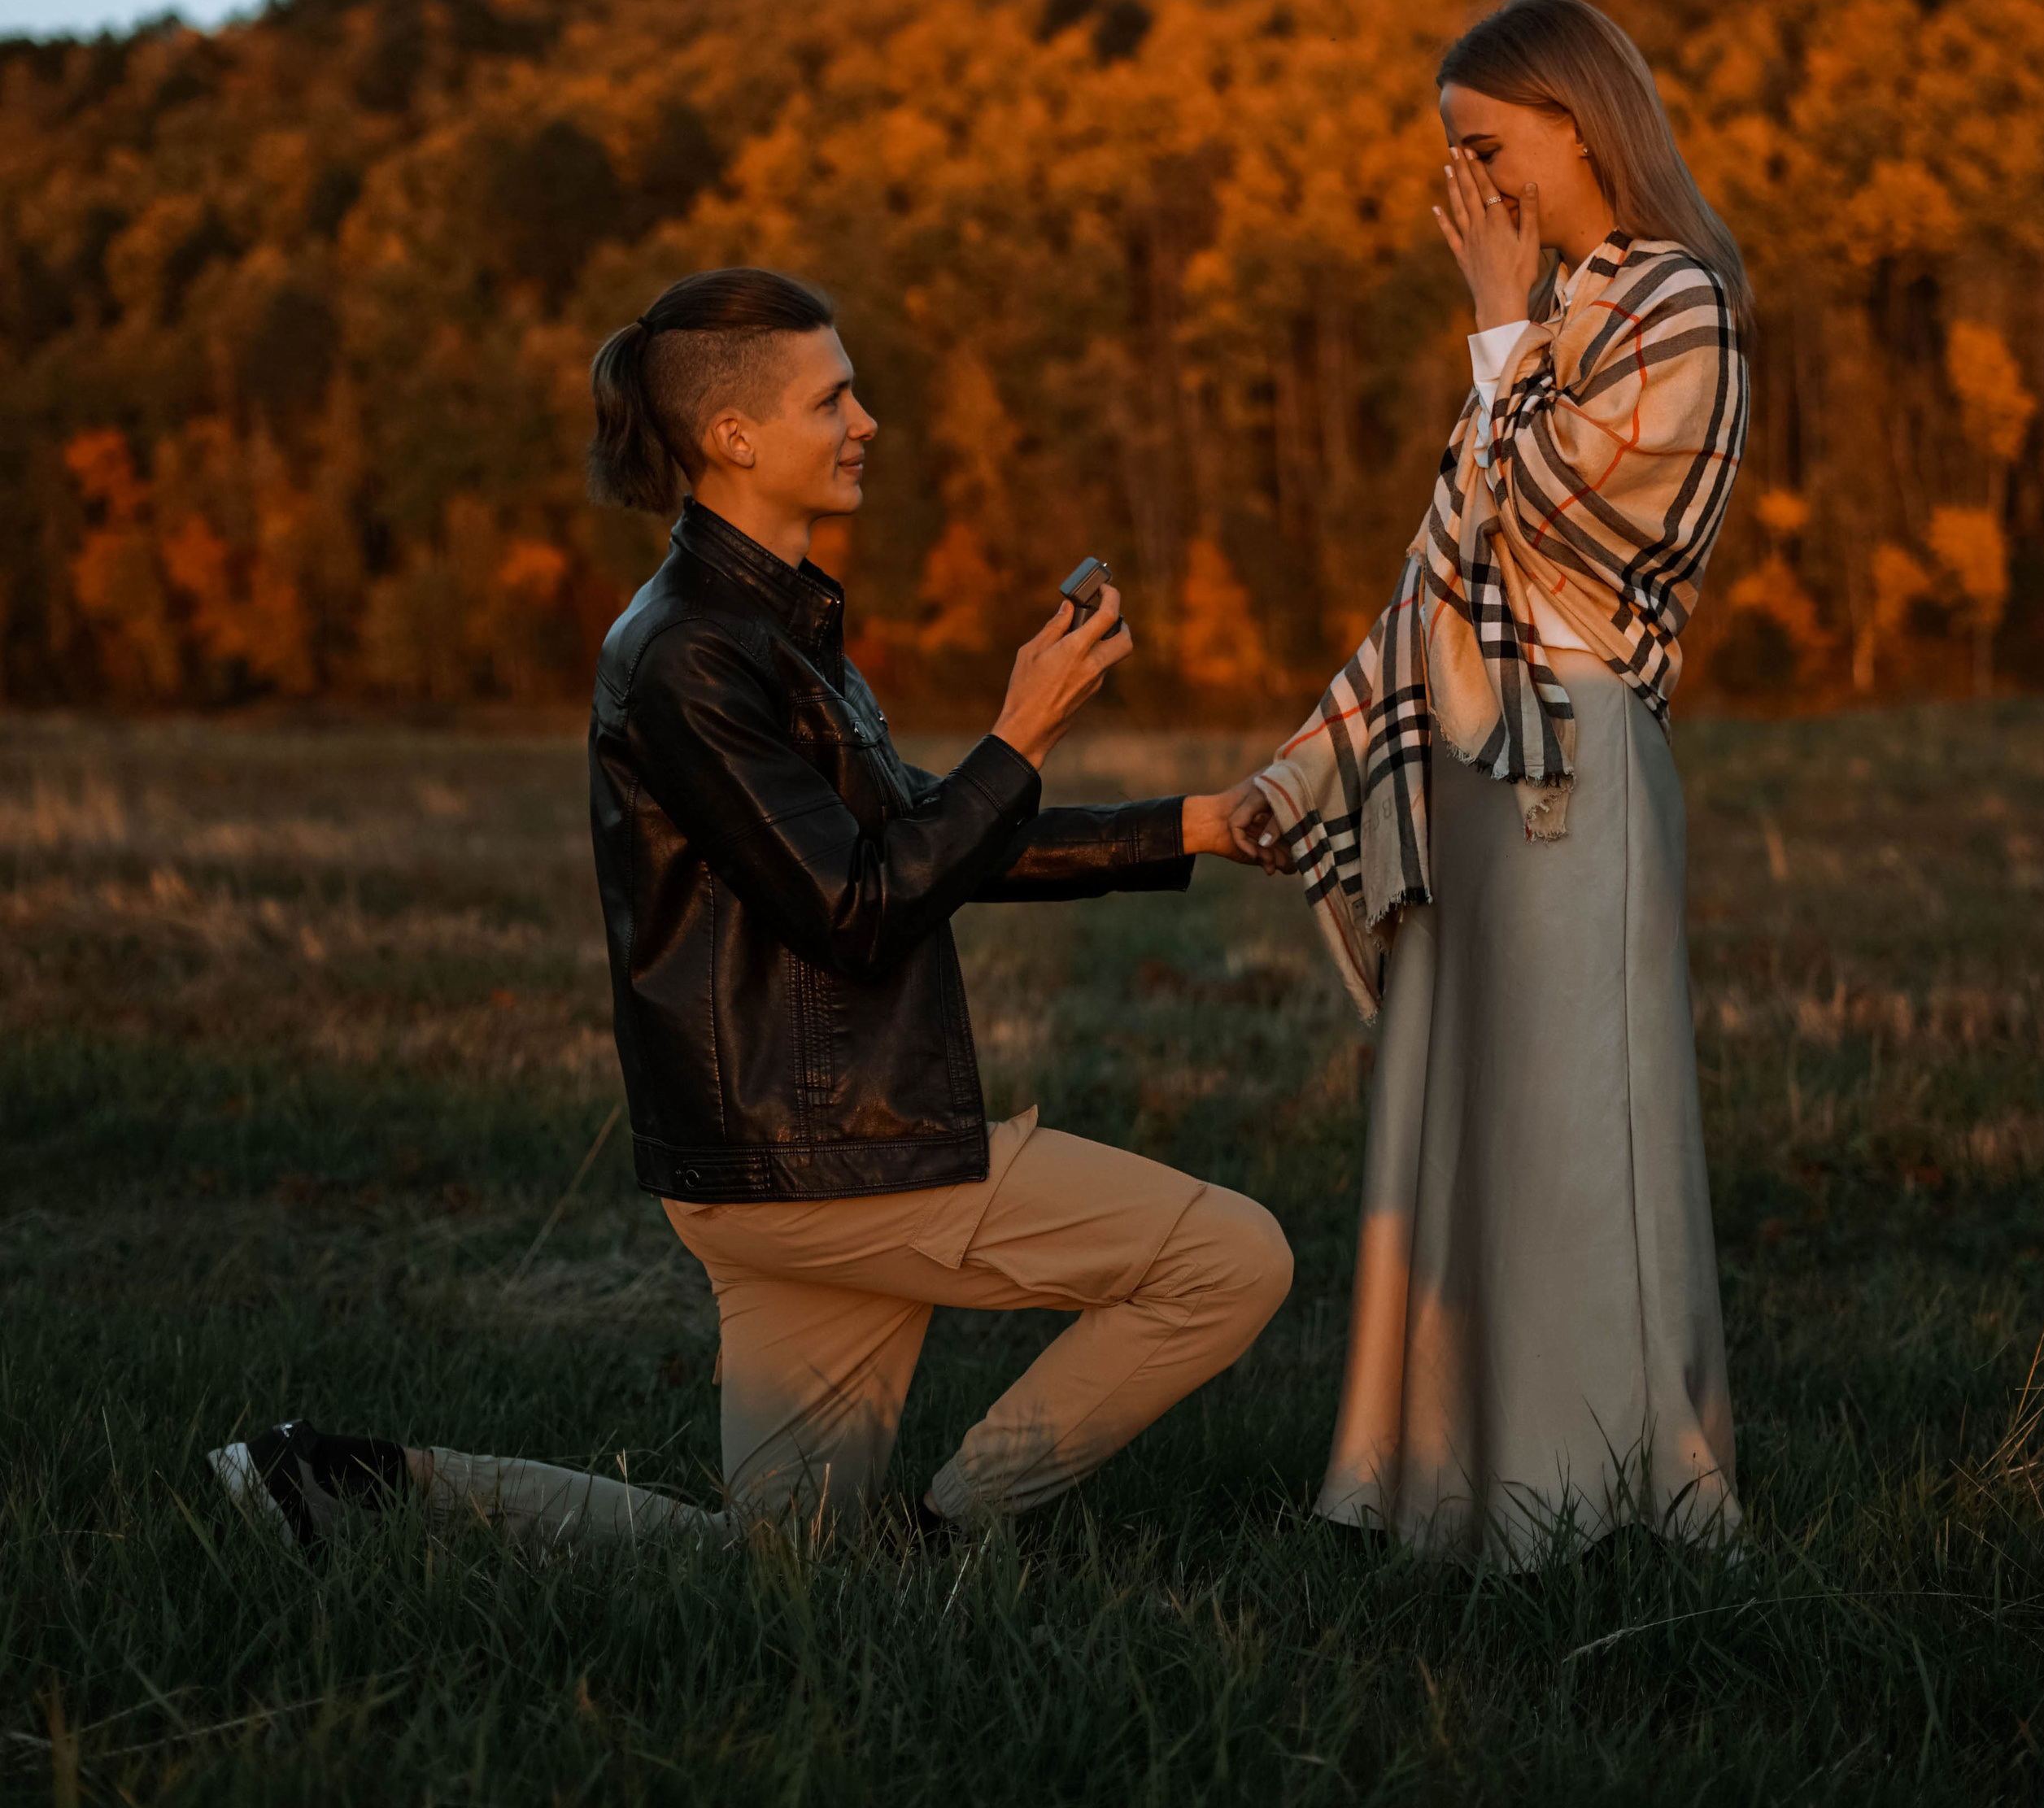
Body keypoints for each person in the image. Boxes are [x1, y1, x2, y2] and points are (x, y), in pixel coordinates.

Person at [214, 267, 1290, 1553]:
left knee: (781, 1567)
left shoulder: (771, 631)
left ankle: (340, 1482)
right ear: (733, 437)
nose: (866, 420)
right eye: (832, 397)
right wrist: (1023, 732)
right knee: (1232, 1258)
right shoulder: (687, 655)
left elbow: (916, 847)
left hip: (781, 1160)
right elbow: (858, 905)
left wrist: (1195, 825)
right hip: (830, 1160)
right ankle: (953, 1534)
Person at [1230, 0, 1750, 1564]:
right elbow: (1435, 594)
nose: (1465, 183)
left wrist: (1499, 324)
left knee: (1575, 1135)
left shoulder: (1683, 308)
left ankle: (1584, 1500)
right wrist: (1303, 771)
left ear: (1579, 125)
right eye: (1450, 154)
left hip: (1572, 775)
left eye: (1486, 146)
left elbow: (1565, 531)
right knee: (1456, 1133)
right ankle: (1440, 1488)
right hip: (1470, 780)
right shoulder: (1529, 330)